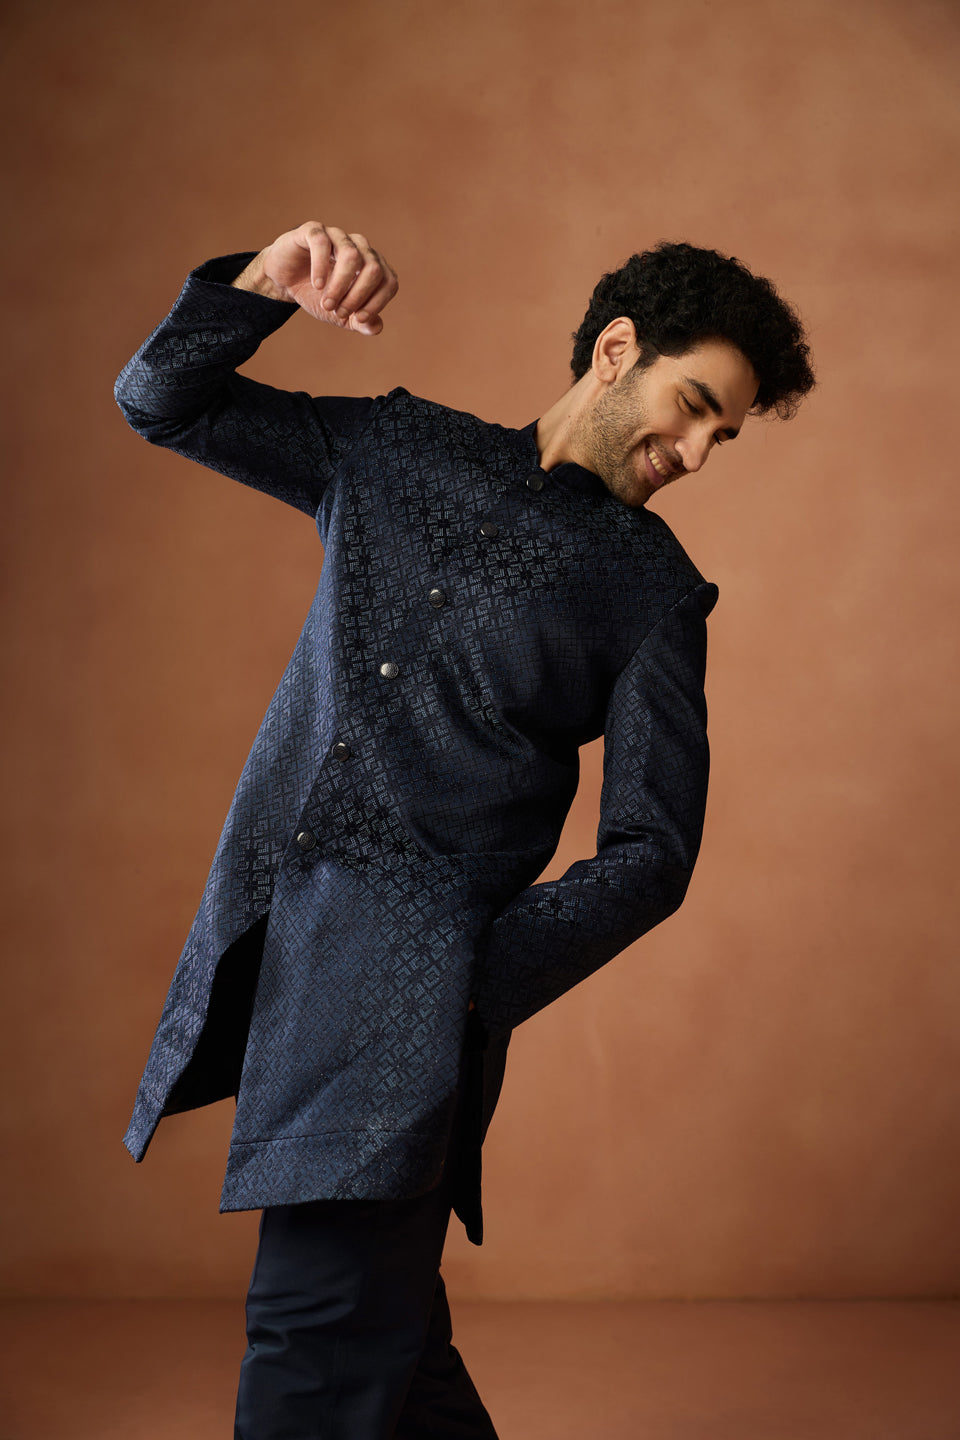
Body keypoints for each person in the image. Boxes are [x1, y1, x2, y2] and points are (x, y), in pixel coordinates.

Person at [115, 222, 814, 1438]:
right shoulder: (395, 450)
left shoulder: (653, 592)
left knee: (321, 1344)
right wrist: (263, 284)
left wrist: (466, 982)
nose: (701, 454)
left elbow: (653, 853)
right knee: (387, 1355)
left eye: (726, 437)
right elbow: (160, 401)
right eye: (697, 407)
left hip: (408, 1008)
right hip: (286, 954)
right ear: (617, 350)